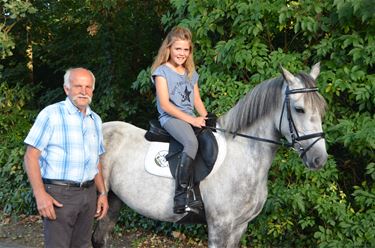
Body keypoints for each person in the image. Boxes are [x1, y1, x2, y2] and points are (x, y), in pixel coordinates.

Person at [23, 67, 109, 247]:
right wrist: (40, 195)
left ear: (93, 89)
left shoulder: (95, 119)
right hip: (59, 195)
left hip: (88, 193)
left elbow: (95, 161)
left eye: (88, 86)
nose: (84, 91)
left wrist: (102, 193)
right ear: (66, 89)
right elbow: (31, 156)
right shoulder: (51, 114)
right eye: (78, 86)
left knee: (83, 245)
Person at [151, 26, 208, 214]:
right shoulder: (162, 72)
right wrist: (192, 120)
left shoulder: (190, 73)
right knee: (191, 142)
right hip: (171, 118)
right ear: (169, 49)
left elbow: (197, 100)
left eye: (186, 49)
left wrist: (206, 118)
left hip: (189, 117)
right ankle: (181, 196)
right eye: (178, 49)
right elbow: (165, 105)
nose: (182, 53)